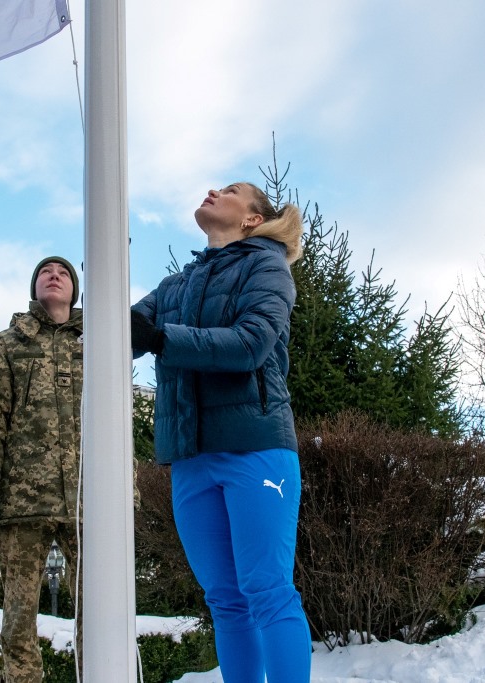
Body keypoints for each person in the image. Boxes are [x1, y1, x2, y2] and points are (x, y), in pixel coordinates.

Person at [131, 182, 312, 683]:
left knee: (267, 589)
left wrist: (161, 337)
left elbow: (250, 344)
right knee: (225, 600)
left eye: (230, 190)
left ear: (253, 219)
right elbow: (124, 329)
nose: (212, 191)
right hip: (190, 456)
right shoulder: (177, 284)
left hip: (255, 448)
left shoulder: (266, 266)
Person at [0, 256, 83, 683]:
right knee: (18, 617)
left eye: (64, 272)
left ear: (76, 289)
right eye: (45, 273)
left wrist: (125, 494)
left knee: (101, 610)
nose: (54, 276)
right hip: (23, 501)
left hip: (88, 502)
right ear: (34, 288)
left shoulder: (97, 343)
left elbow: (115, 420)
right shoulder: (6, 345)